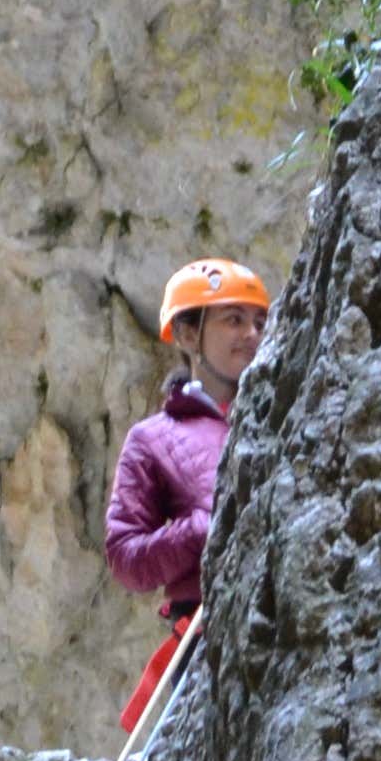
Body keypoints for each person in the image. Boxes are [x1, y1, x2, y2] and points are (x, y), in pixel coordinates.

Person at [105, 257, 269, 733]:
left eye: (260, 322)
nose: (252, 335)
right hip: (203, 634)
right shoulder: (152, 439)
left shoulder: (286, 413)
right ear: (187, 335)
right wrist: (201, 529)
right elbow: (125, 556)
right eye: (233, 319)